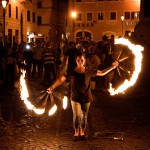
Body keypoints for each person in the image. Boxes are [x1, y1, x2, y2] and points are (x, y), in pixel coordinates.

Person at [47, 51, 119, 141]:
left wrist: (112, 67)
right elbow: (61, 79)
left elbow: (102, 73)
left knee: (84, 117)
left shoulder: (89, 70)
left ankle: (82, 133)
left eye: (82, 59)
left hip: (86, 97)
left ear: (84, 60)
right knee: (77, 116)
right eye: (78, 60)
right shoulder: (72, 71)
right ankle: (76, 133)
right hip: (75, 97)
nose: (80, 61)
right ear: (75, 60)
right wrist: (52, 87)